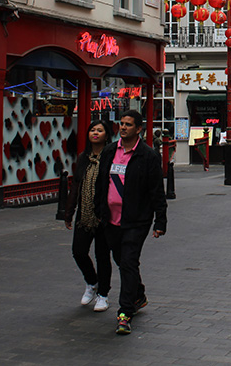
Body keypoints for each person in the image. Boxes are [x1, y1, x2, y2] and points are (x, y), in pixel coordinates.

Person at [94, 110, 167, 335]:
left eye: (128, 125)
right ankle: (138, 294)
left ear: (138, 129)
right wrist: (99, 211)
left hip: (136, 220)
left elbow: (156, 191)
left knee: (127, 261)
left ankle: (125, 313)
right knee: (122, 260)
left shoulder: (148, 156)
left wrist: (160, 221)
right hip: (111, 220)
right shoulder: (109, 152)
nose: (123, 127)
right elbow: (101, 183)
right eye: (121, 124)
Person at [64, 119, 113, 313]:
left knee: (102, 256)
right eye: (92, 129)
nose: (95, 133)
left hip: (103, 215)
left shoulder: (110, 157)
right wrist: (69, 212)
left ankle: (103, 294)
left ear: (106, 135)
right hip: (84, 215)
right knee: (79, 251)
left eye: (99, 130)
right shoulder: (83, 157)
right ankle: (92, 282)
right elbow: (76, 185)